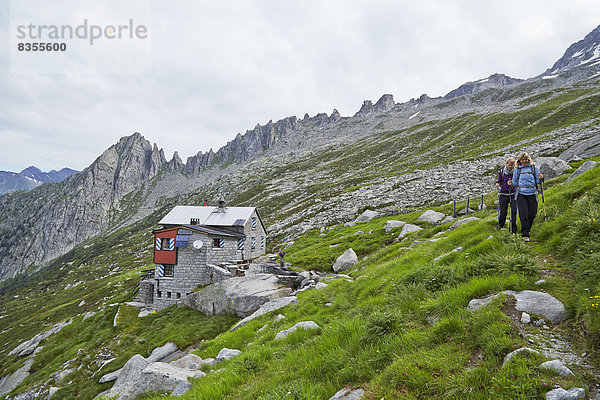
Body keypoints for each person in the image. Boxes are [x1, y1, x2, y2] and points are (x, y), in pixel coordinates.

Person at [509, 152, 543, 241]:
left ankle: (528, 229)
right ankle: (525, 234)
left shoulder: (534, 168)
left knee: (532, 214)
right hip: (521, 194)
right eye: (522, 160)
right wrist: (511, 184)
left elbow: (538, 181)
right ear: (520, 161)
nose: (524, 162)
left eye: (526, 160)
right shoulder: (517, 170)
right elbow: (515, 182)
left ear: (529, 159)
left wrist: (540, 178)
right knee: (523, 214)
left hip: (532, 193)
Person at [495, 157, 517, 233]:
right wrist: (497, 184)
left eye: (512, 165)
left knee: (513, 212)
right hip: (503, 194)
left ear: (514, 165)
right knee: (503, 212)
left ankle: (513, 229)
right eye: (509, 165)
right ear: (506, 164)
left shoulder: (515, 172)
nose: (510, 166)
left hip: (513, 194)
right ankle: (500, 226)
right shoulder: (502, 172)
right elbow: (499, 181)